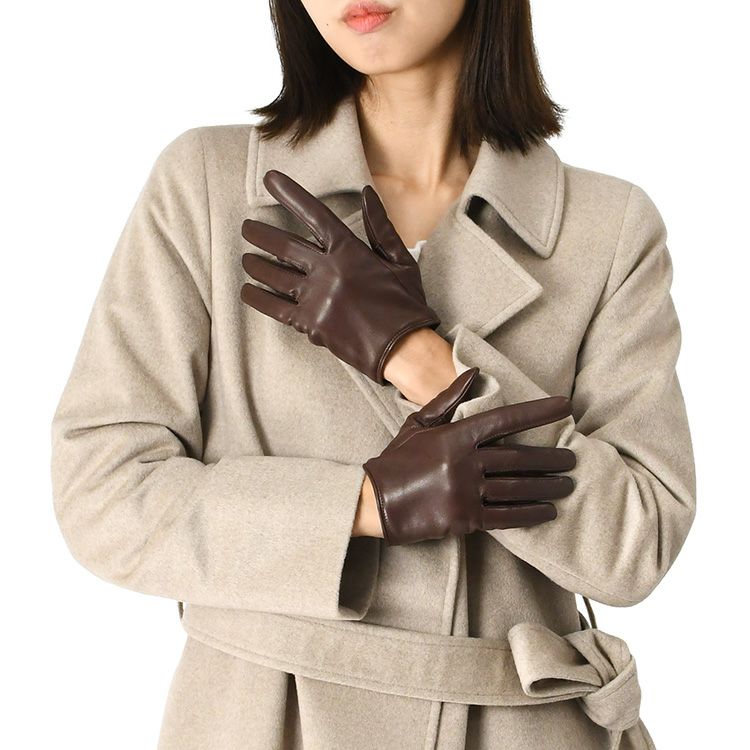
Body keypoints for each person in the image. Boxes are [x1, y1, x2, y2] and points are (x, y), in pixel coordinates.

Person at [50, 1, 696, 748]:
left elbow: (634, 548)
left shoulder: (606, 229)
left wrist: (417, 355)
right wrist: (366, 506)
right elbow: (102, 493)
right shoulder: (209, 186)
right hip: (264, 722)